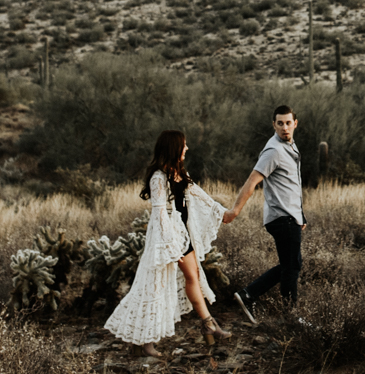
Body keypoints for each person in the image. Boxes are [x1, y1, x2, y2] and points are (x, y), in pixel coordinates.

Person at [105, 130, 235, 355]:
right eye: (183, 146)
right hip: (167, 239)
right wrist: (169, 245)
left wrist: (221, 211)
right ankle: (146, 343)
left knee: (193, 278)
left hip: (184, 235)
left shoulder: (179, 173)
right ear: (174, 148)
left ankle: (209, 326)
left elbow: (198, 193)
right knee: (155, 285)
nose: (186, 149)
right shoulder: (158, 177)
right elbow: (159, 214)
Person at [222, 105, 305, 323]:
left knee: (291, 264)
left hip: (290, 217)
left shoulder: (290, 146)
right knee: (291, 268)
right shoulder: (274, 151)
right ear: (274, 125)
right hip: (281, 218)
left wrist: (300, 215)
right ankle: (290, 318)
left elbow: (291, 186)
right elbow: (252, 181)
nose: (285, 128)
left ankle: (248, 294)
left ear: (295, 123)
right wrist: (235, 210)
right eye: (280, 123)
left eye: (288, 123)